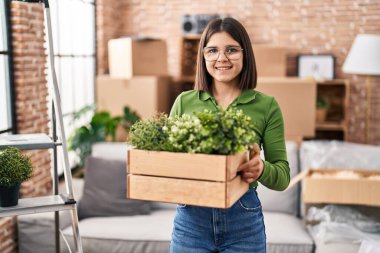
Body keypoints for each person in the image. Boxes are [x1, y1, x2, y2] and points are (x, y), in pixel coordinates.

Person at [169, 17, 290, 253]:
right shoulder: (184, 102)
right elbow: (169, 165)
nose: (221, 58)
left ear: (245, 54)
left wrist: (261, 168)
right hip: (191, 222)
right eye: (212, 50)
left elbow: (283, 176)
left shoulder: (266, 106)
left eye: (231, 50)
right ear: (203, 56)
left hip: (243, 221)